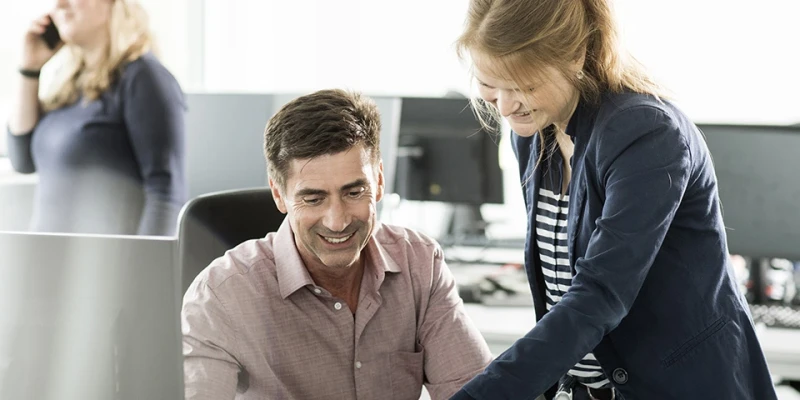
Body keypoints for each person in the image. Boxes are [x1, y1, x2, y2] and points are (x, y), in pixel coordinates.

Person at [449, 0, 777, 399]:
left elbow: (599, 295)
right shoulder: (537, 131)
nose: (503, 106)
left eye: (523, 86)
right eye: (489, 84)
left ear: (575, 57)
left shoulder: (646, 132)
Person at [181, 89, 493, 400]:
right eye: (313, 199)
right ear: (279, 194)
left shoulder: (419, 264)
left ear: (379, 180)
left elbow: (476, 393)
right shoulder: (222, 295)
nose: (337, 222)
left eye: (354, 193)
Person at [6, 0, 186, 236]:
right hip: (48, 253)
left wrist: (146, 259)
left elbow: (165, 193)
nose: (59, 4)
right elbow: (22, 160)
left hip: (107, 256)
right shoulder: (69, 83)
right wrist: (29, 69)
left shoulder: (143, 77)